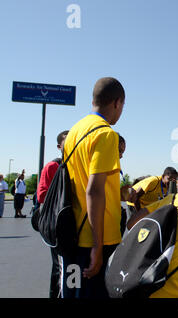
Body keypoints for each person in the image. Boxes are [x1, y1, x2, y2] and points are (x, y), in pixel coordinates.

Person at [60, 77, 132, 298]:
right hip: (96, 238)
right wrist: (97, 247)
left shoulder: (74, 131)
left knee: (73, 291)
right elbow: (94, 190)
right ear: (117, 102)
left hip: (72, 231)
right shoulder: (105, 134)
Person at [35, 130, 69, 298]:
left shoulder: (75, 165)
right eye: (66, 142)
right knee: (60, 266)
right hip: (56, 224)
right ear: (59, 146)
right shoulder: (53, 166)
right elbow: (41, 195)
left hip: (71, 224)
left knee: (69, 267)